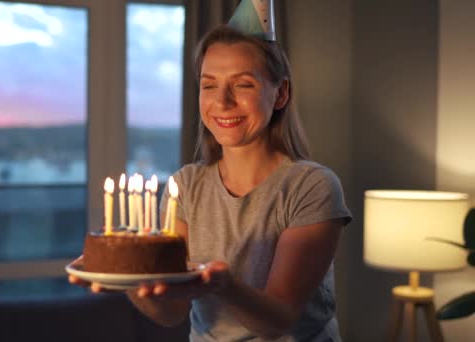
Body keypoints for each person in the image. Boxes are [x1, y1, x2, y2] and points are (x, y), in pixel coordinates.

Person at [70, 3, 351, 341]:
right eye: (209, 85)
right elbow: (172, 313)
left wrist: (223, 284)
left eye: (243, 84)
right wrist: (128, 277)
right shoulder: (186, 186)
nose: (222, 101)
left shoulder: (311, 187)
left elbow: (279, 320)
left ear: (281, 93)